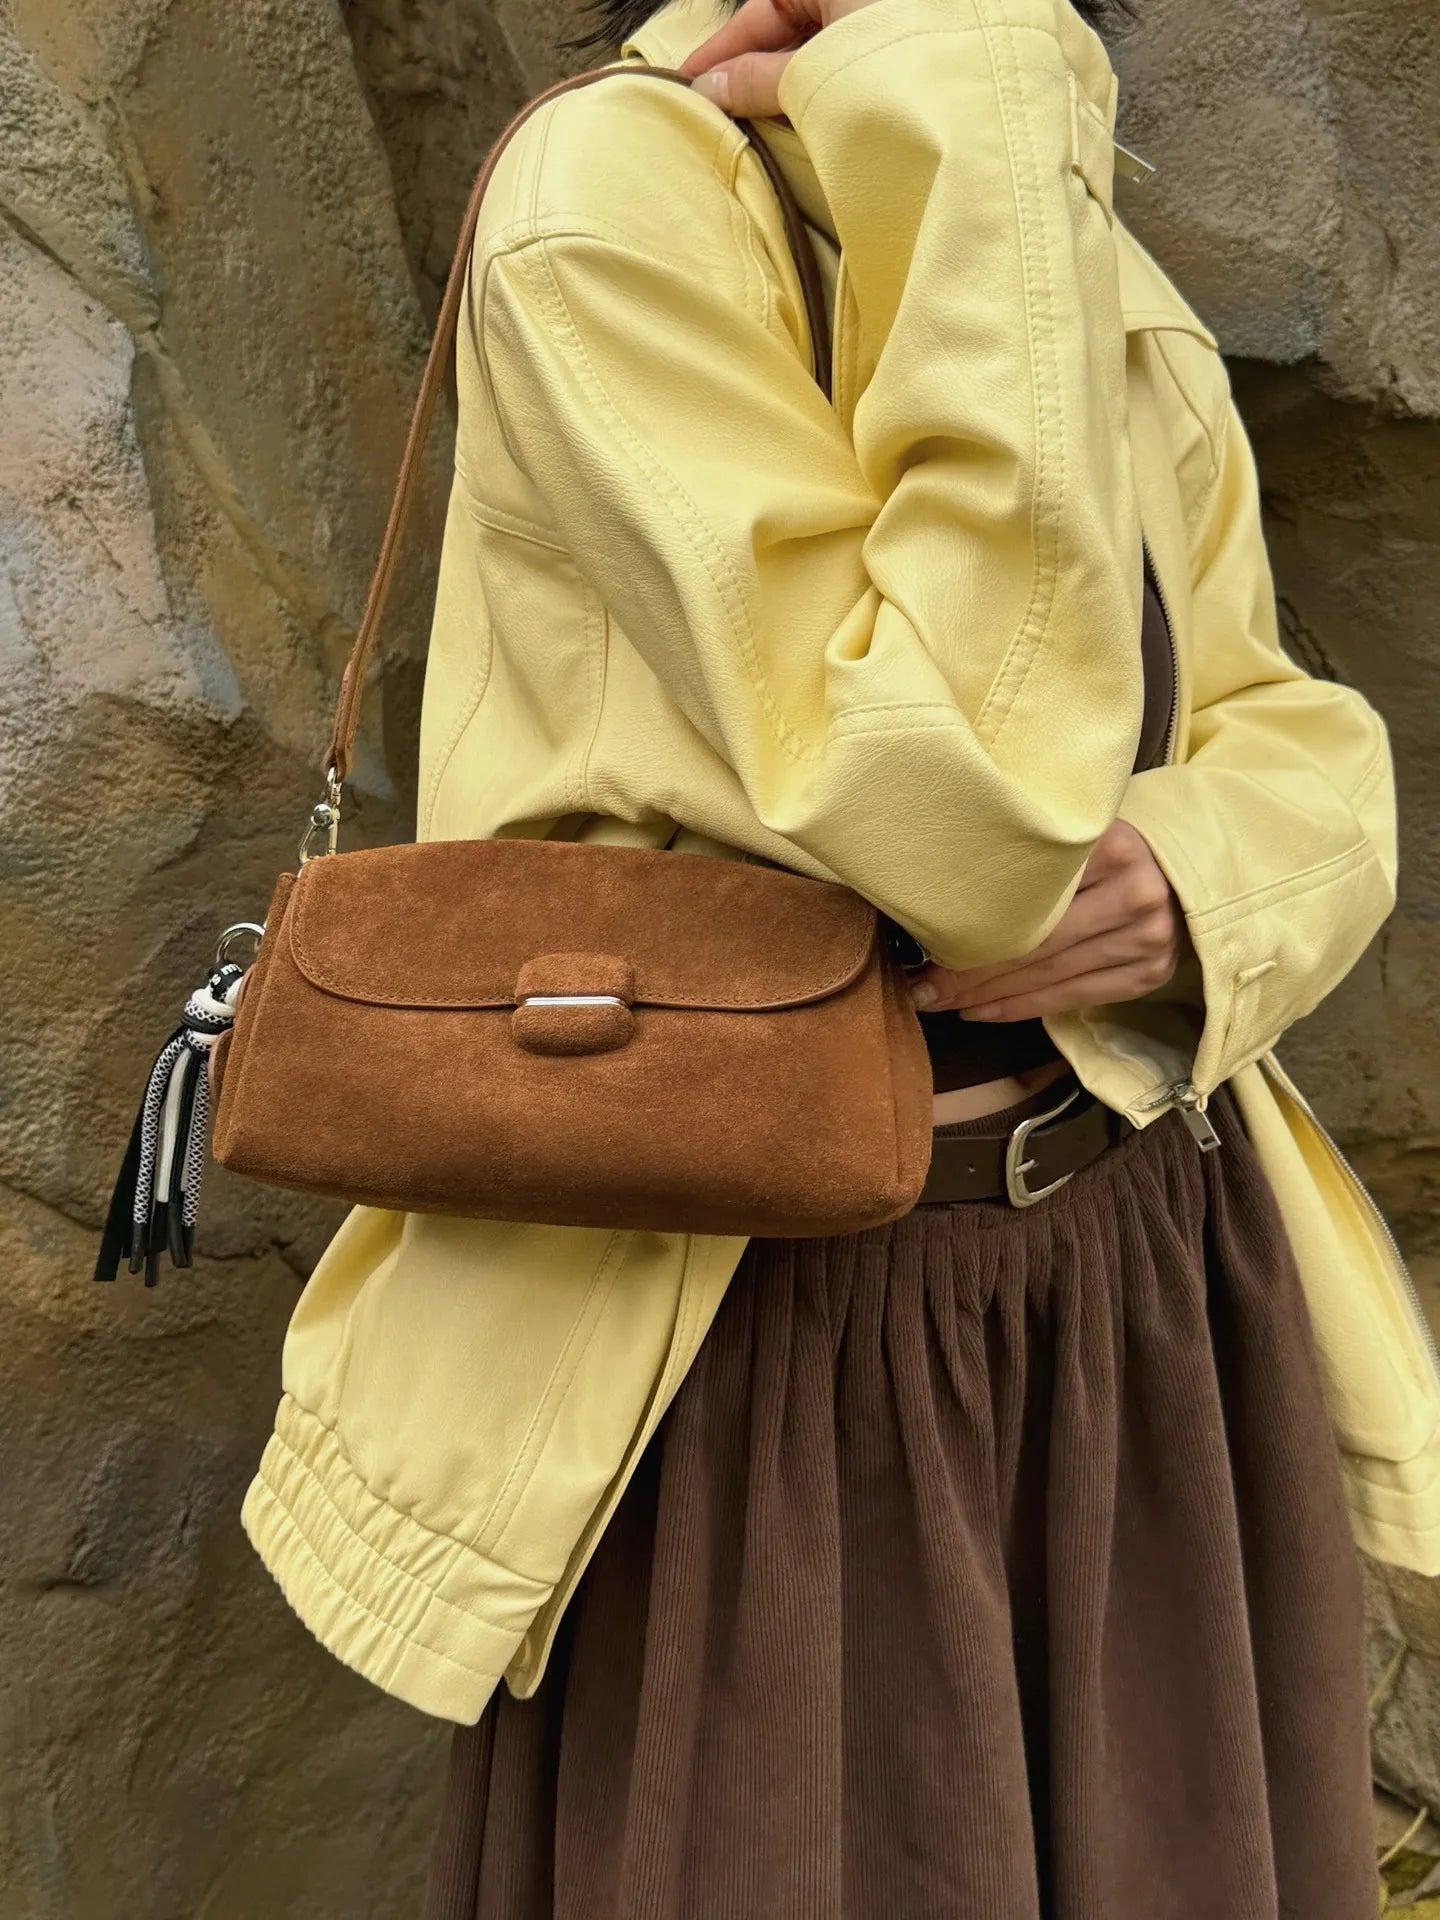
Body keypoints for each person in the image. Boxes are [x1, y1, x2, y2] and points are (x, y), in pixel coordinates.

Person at [237, 0, 1407, 1910]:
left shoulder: (1016, 165)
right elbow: (961, 798)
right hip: (774, 1337)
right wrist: (967, 111)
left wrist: (1202, 882)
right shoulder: (619, 192)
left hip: (1145, 1271)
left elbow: (1278, 718)